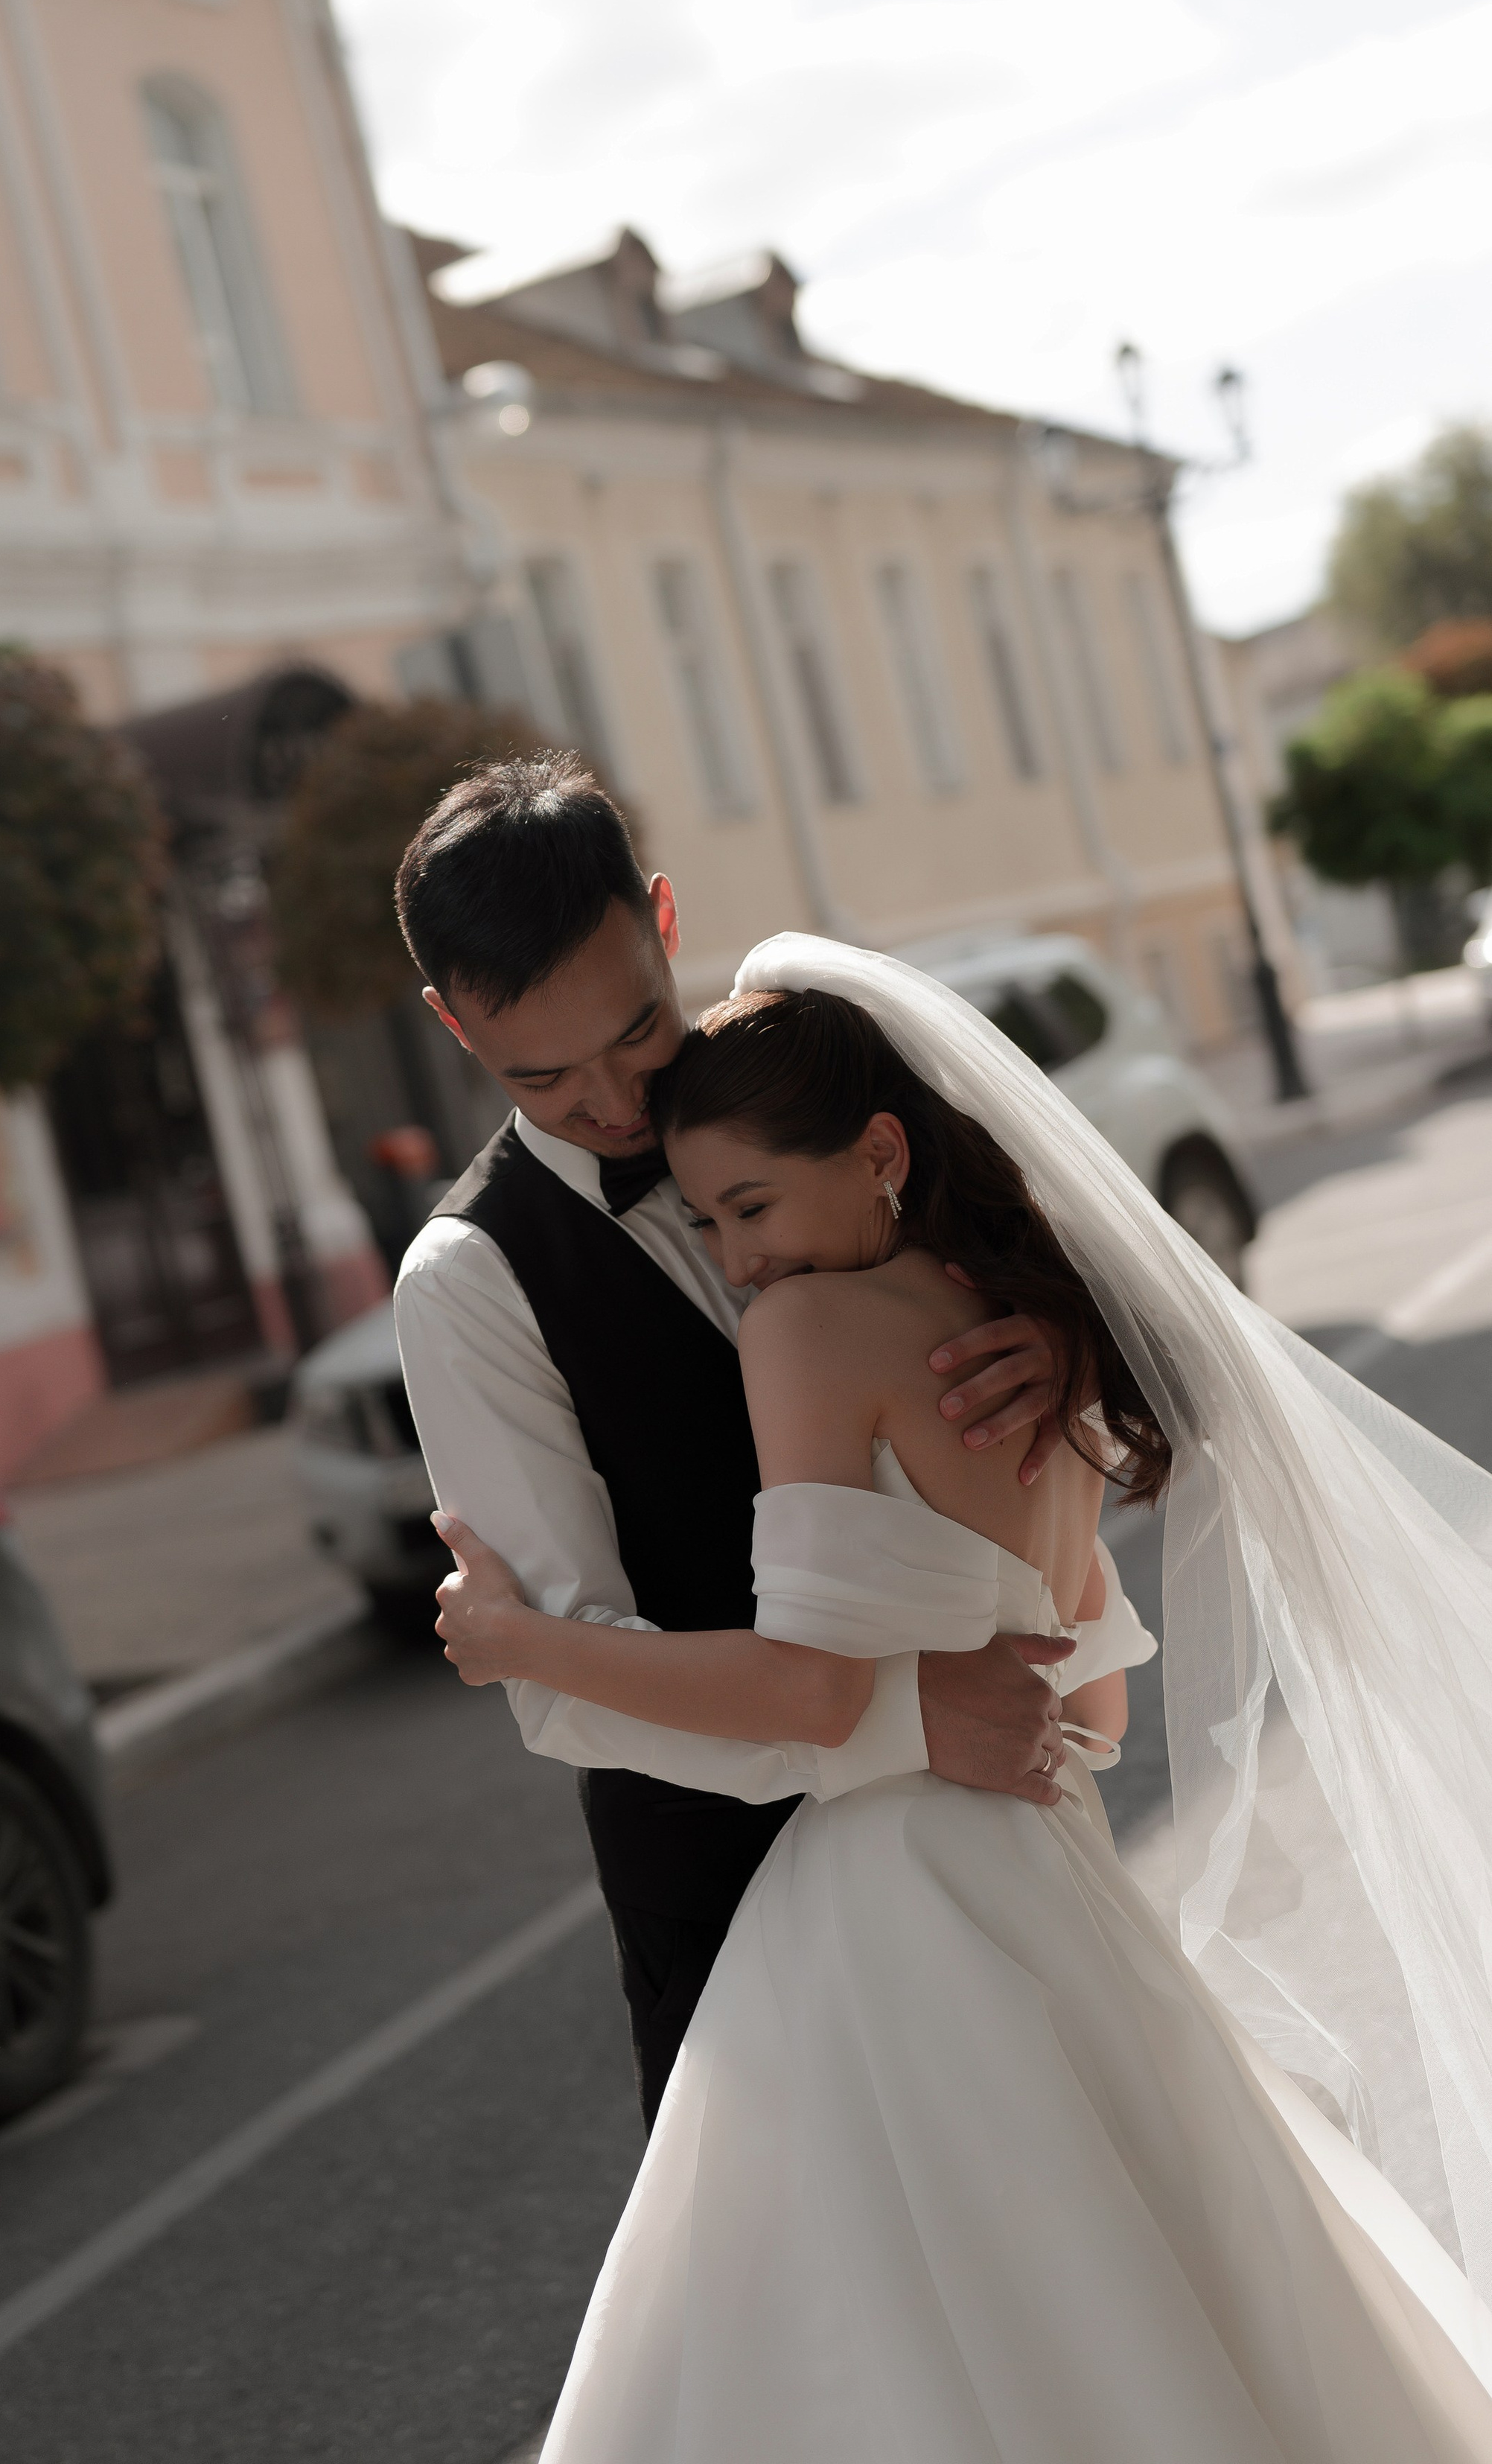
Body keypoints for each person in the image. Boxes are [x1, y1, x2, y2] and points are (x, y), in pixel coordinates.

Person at [436, 949, 1492, 2463]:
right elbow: (1099, 1704)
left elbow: (803, 1691)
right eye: (709, 1220)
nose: (735, 1261)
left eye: (746, 1210)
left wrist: (516, 1640)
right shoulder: (1020, 1328)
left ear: (876, 1154)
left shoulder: (802, 1334)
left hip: (892, 1904)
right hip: (1056, 1878)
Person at [392, 755, 1095, 2127]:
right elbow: (568, 1675)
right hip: (735, 1912)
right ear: (452, 1027)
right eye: (545, 1072)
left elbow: (1051, 1300)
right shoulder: (468, 1284)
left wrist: (1064, 1345)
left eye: (637, 1033)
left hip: (1000, 1847)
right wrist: (909, 1715)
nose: (612, 1102)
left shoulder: (821, 1095)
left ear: (662, 920)